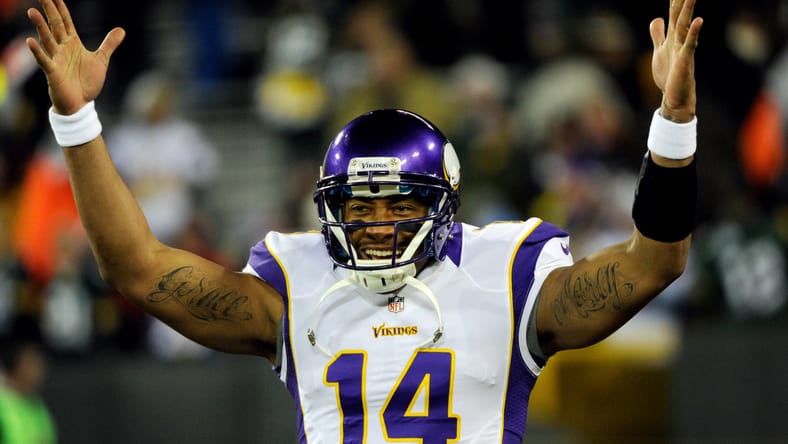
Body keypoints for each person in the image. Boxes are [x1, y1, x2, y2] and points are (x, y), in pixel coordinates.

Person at [25, 0, 702, 442]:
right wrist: (77, 121)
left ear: (441, 200)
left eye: (399, 202)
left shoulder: (509, 273)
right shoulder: (296, 283)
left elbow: (654, 261)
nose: (376, 222)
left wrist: (672, 127)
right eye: (358, 205)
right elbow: (135, 269)